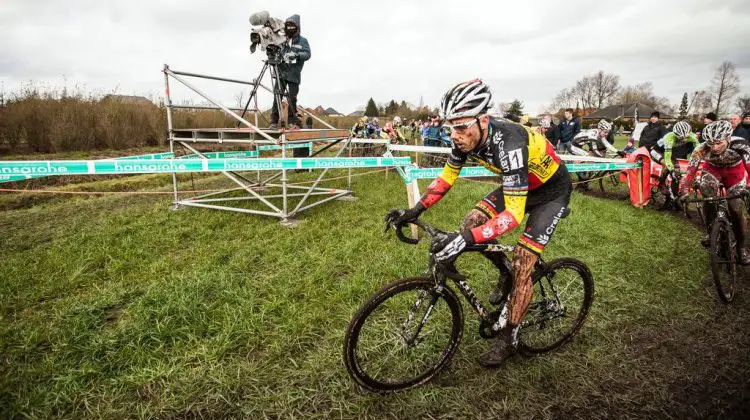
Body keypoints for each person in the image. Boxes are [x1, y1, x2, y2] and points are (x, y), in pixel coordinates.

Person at [385, 79, 573, 367]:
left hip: (550, 192)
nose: (455, 135)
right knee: (471, 221)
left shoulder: (510, 142)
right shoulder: (464, 138)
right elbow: (448, 177)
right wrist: (415, 210)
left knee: (524, 259)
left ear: (483, 120)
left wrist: (467, 240)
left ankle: (510, 338)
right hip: (521, 185)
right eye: (451, 126)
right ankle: (504, 271)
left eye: (461, 127)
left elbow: (511, 215)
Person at [679, 120, 750, 265]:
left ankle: (741, 247)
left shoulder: (741, 145)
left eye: (718, 143)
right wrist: (684, 191)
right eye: (711, 143)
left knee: (736, 207)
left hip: (734, 172)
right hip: (712, 169)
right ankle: (711, 232)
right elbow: (690, 173)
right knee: (707, 195)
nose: (714, 147)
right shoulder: (701, 148)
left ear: (728, 138)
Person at [269, 14, 311, 130]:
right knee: (277, 96)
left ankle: (292, 122)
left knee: (292, 98)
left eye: (292, 26)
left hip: (294, 73)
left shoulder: (303, 41)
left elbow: (308, 54)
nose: (289, 28)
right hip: (281, 72)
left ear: (297, 27)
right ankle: (273, 121)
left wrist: (297, 55)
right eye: (288, 26)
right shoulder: (282, 39)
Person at [655, 121, 699, 204]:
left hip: (672, 152)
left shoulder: (693, 136)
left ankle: (674, 198)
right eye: (680, 138)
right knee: (669, 166)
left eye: (685, 138)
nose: (684, 140)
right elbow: (667, 158)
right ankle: (661, 183)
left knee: (676, 174)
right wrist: (672, 170)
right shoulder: (669, 138)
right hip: (657, 151)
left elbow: (699, 151)